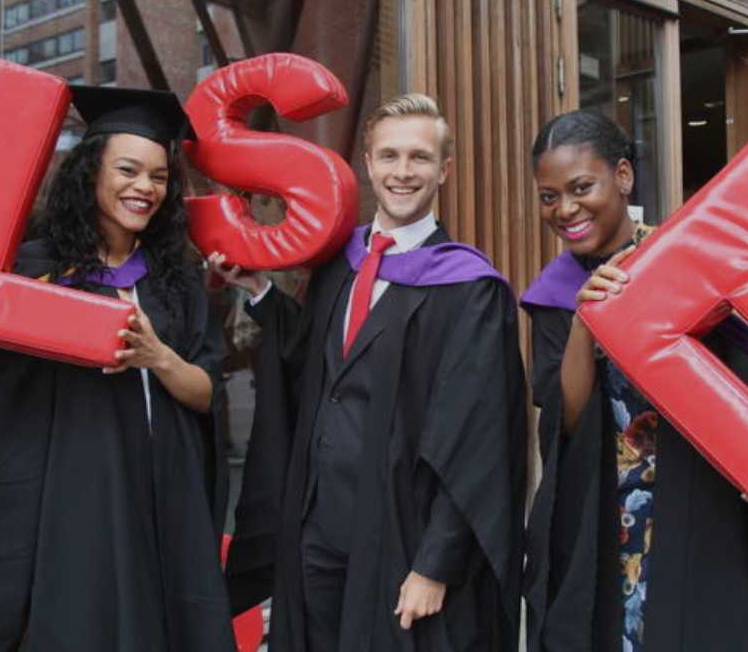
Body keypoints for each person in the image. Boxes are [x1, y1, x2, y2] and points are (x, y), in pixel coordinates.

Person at [0, 87, 235, 652]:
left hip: (158, 504)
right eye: (128, 170)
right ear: (89, 174)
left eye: (159, 177)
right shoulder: (28, 275)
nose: (145, 188)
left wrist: (157, 355)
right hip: (68, 513)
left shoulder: (176, 281)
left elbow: (207, 395)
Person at [213, 94, 526, 651]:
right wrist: (259, 289)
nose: (402, 172)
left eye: (419, 158)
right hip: (317, 526)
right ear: (367, 163)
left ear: (443, 170)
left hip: (401, 534)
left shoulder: (468, 289)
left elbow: (479, 441)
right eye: (389, 156)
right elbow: (309, 365)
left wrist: (436, 563)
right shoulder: (340, 260)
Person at [521, 110, 748, 652]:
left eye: (582, 187)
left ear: (624, 176)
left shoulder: (688, 264)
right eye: (548, 196)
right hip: (605, 514)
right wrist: (587, 323)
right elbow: (566, 420)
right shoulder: (554, 294)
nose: (566, 209)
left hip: (699, 506)